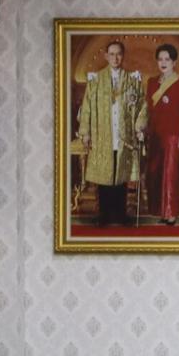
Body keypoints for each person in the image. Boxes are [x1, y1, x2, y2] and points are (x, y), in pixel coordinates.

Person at [73, 37, 148, 227]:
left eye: (119, 54)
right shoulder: (96, 80)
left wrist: (139, 126)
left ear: (123, 56)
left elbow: (142, 105)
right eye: (112, 54)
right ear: (106, 56)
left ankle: (120, 215)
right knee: (104, 176)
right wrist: (86, 132)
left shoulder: (132, 80)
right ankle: (104, 214)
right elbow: (87, 107)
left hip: (124, 136)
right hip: (102, 135)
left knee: (121, 176)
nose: (115, 58)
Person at [143, 42, 179, 226]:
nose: (163, 63)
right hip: (155, 135)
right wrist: (142, 128)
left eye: (167, 59)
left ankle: (171, 213)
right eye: (160, 59)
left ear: (174, 62)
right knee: (156, 173)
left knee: (171, 174)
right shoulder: (151, 83)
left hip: (174, 135)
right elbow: (148, 110)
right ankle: (161, 212)